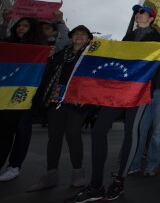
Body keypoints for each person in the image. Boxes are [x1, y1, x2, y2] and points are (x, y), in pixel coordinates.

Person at [72, 5, 160, 203]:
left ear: (151, 17)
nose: (138, 15)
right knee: (98, 130)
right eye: (137, 12)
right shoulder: (128, 37)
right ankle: (96, 185)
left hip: (139, 90)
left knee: (131, 131)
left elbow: (159, 65)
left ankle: (119, 181)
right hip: (118, 89)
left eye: (142, 12)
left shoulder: (159, 40)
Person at [28, 25, 95, 192]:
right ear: (71, 38)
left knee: (73, 134)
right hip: (56, 98)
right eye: (76, 34)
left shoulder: (92, 57)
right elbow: (46, 74)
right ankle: (50, 175)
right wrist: (47, 57)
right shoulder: (59, 56)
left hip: (78, 100)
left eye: (83, 34)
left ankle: (78, 173)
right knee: (54, 136)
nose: (79, 36)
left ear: (88, 39)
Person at [0, 17, 47, 181]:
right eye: (19, 25)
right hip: (4, 94)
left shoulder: (40, 49)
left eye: (25, 26)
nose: (21, 28)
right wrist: (5, 23)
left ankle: (14, 166)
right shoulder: (7, 44)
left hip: (25, 97)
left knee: (20, 129)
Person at [127, 51, 160, 177]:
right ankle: (134, 165)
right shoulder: (154, 42)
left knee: (158, 131)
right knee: (140, 130)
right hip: (146, 90)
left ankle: (152, 165)